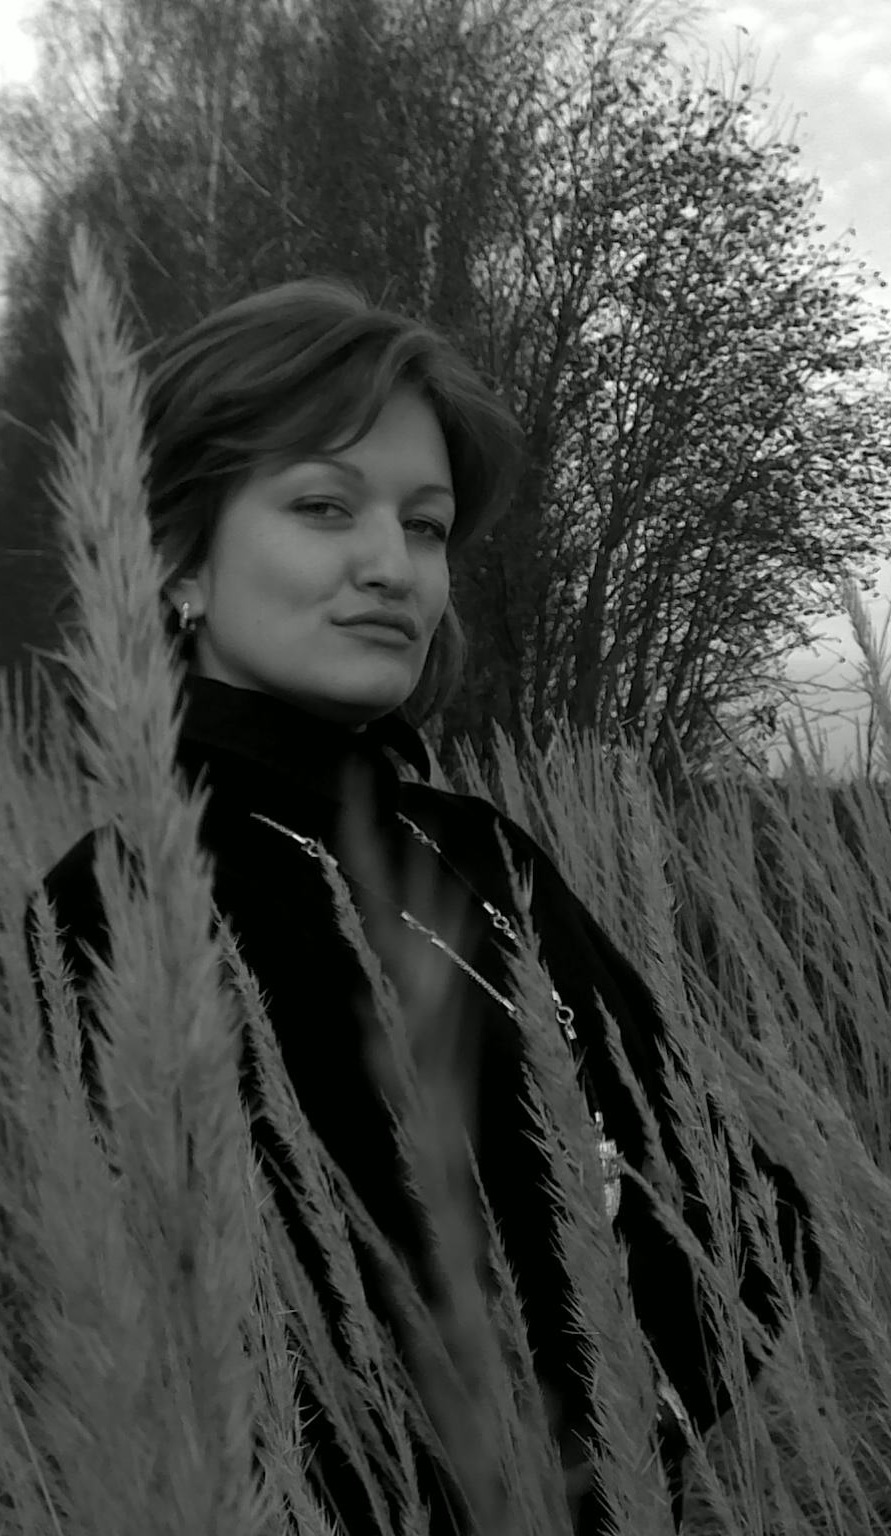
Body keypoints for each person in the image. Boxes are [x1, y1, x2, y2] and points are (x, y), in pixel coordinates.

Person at [23, 275, 821, 1534]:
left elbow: (752, 1218)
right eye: (323, 506)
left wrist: (611, 1445)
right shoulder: (117, 911)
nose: (392, 566)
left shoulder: (478, 852)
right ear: (174, 556)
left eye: (428, 525)